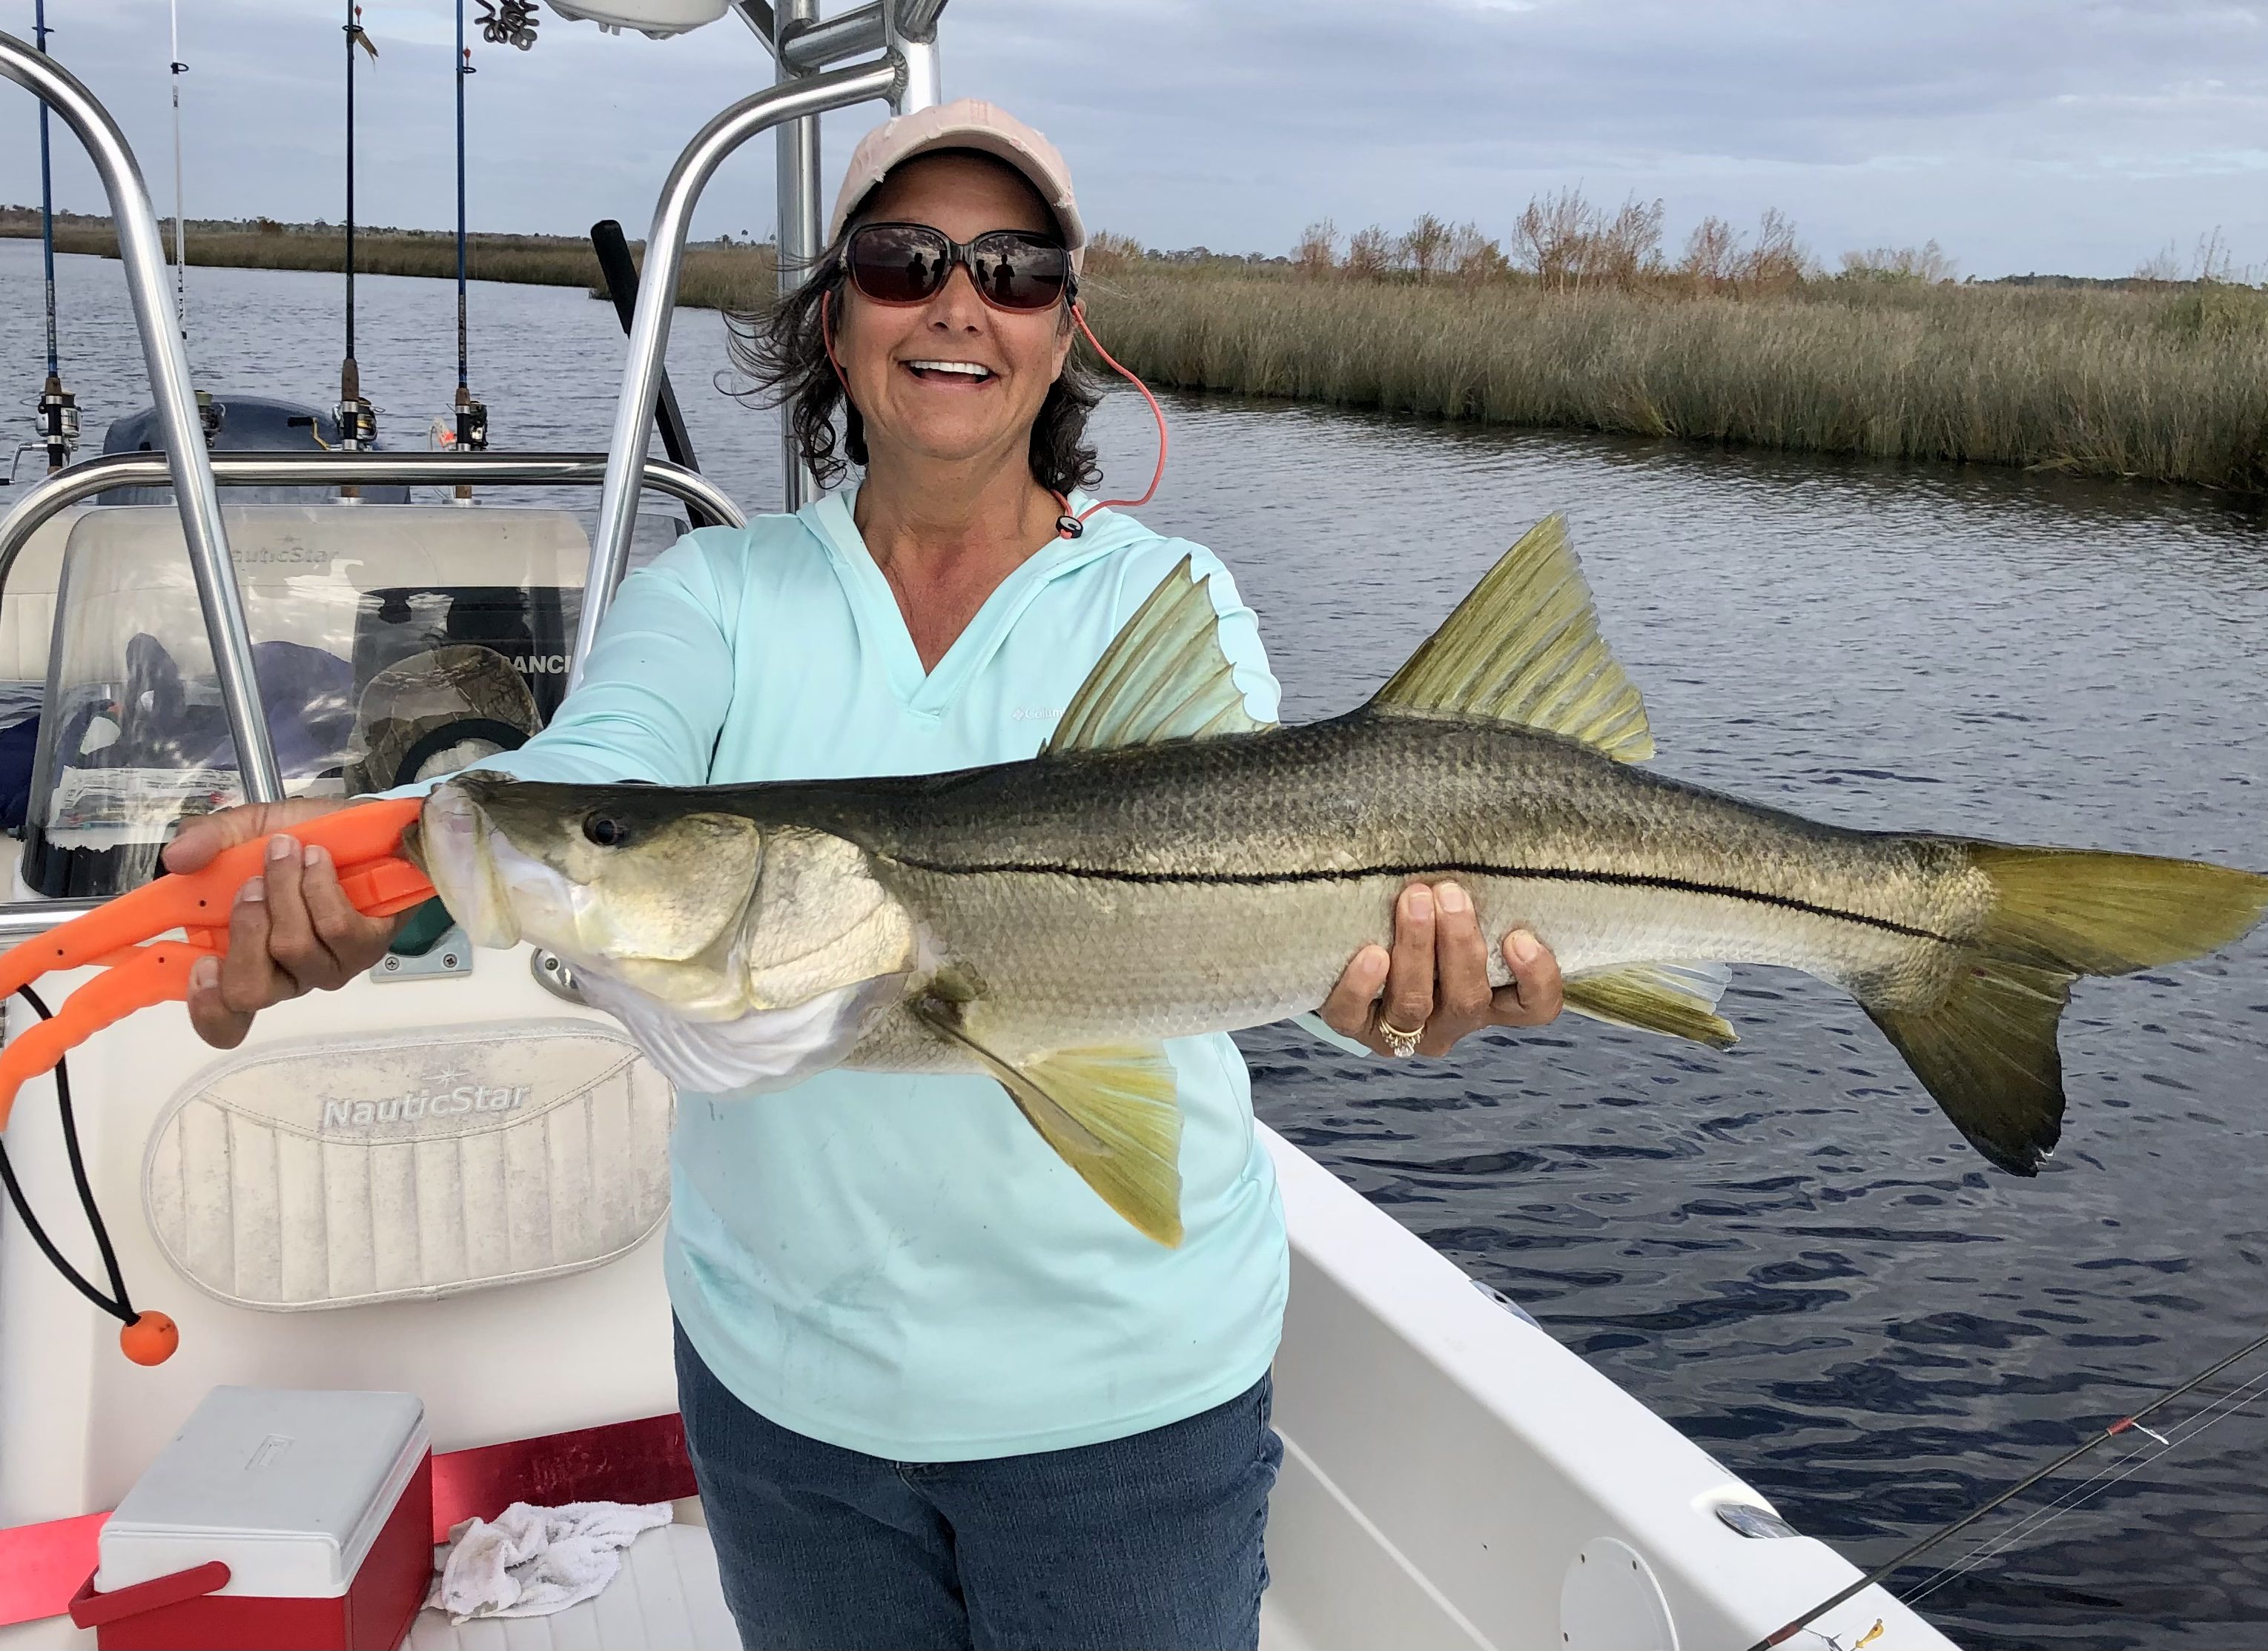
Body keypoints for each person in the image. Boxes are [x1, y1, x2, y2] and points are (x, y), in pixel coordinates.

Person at [164, 102, 1564, 1650]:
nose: (958, 301)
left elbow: (1267, 939)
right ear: (835, 323)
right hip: (788, 1407)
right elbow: (582, 789)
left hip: (1126, 1410)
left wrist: (1393, 1007)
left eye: (1014, 269)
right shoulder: (714, 597)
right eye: (905, 261)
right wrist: (378, 864)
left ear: (1061, 335)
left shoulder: (1169, 601)